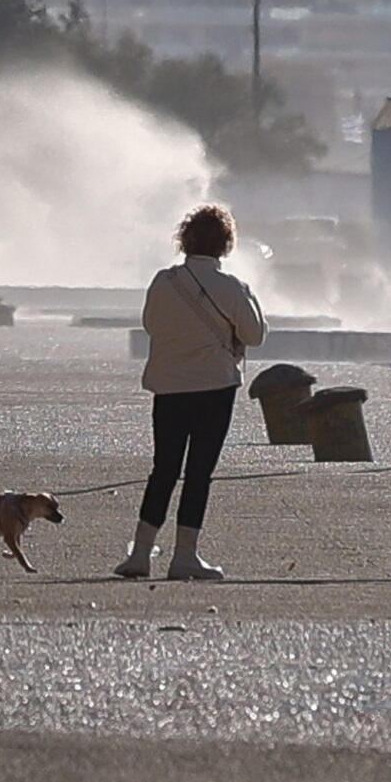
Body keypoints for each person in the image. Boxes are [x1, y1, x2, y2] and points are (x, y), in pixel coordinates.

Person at [121, 202, 267, 582]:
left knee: (164, 469)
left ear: (184, 241)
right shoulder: (232, 288)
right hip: (215, 388)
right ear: (225, 245)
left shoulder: (163, 282)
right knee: (199, 472)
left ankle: (139, 553)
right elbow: (256, 336)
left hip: (168, 387)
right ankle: (185, 556)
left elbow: (151, 325)